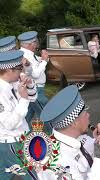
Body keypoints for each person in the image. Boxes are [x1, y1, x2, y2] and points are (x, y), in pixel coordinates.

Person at [37, 85, 100, 180]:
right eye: (85, 112)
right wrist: (98, 154)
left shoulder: (79, 137)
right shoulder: (56, 162)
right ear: (74, 123)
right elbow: (98, 158)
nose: (88, 115)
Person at [0, 50, 38, 180]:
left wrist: (30, 85)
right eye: (19, 68)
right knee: (33, 176)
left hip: (18, 138)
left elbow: (33, 98)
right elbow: (10, 124)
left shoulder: (13, 82)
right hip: (12, 142)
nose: (22, 72)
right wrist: (24, 99)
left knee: (4, 173)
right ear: (9, 70)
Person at [18, 31, 50, 125]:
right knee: (47, 114)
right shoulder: (25, 55)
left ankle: (20, 135)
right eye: (35, 42)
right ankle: (55, 135)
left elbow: (36, 61)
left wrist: (43, 59)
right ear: (30, 44)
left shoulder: (28, 54)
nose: (36, 44)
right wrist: (44, 61)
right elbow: (35, 74)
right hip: (35, 88)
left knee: (25, 118)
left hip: (34, 88)